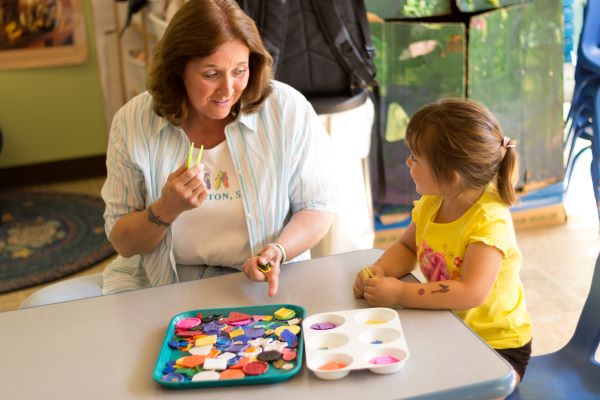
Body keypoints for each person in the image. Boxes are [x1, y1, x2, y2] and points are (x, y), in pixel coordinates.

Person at [19, 0, 335, 308]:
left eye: (239, 70)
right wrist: (165, 209)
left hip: (259, 280)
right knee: (37, 307)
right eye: (211, 74)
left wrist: (276, 252)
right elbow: (124, 244)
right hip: (163, 281)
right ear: (178, 70)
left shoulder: (286, 110)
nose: (228, 90)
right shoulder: (133, 121)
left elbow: (317, 208)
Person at [353, 98, 532, 386]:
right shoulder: (432, 202)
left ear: (450, 176)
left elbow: (471, 292)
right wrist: (380, 271)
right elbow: (407, 247)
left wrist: (400, 293)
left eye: (415, 157)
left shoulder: (488, 221)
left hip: (498, 348)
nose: (407, 162)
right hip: (448, 329)